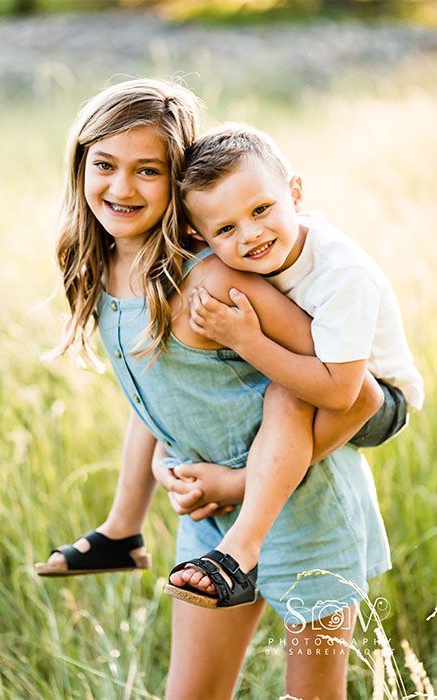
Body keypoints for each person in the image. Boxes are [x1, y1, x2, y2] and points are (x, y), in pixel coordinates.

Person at [36, 78, 393, 699]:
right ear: (80, 164)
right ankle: (124, 536)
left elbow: (357, 394)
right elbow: (156, 403)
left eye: (147, 171)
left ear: (178, 185)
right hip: (209, 520)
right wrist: (130, 518)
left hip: (307, 512)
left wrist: (239, 482)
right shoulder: (103, 268)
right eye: (105, 165)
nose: (121, 188)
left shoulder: (210, 283)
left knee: (312, 695)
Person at [165, 122, 423, 604]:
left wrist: (247, 341)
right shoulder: (235, 262)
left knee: (287, 392)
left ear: (295, 193)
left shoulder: (341, 273)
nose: (251, 234)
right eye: (226, 228)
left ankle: (240, 546)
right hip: (327, 375)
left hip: (380, 398)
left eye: (262, 209)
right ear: (197, 236)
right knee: (278, 389)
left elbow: (344, 393)